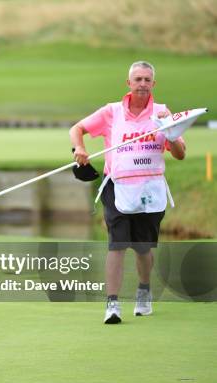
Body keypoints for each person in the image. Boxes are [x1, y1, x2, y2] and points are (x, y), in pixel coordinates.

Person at [69, 61, 186, 324]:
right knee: (117, 244)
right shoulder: (111, 112)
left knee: (143, 248)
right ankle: (112, 304)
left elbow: (180, 154)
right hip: (117, 186)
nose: (142, 84)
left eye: (147, 79)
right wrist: (79, 149)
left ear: (153, 84)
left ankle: (143, 292)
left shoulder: (162, 113)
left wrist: (172, 133)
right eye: (137, 79)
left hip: (150, 189)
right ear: (129, 84)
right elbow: (77, 129)